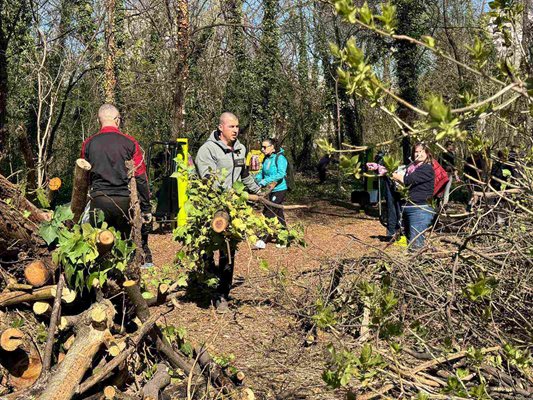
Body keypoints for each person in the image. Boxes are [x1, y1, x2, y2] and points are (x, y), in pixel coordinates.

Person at [195, 112, 260, 311]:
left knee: (228, 251)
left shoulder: (240, 149)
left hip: (233, 207)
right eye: (231, 127)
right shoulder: (207, 150)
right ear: (221, 127)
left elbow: (245, 175)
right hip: (210, 206)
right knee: (207, 250)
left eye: (237, 126)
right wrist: (229, 194)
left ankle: (222, 294)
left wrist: (258, 191)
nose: (235, 130)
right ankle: (208, 283)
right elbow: (208, 180)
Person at [81, 104, 153, 267]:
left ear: (99, 121)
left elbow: (83, 178)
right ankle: (126, 286)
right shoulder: (130, 143)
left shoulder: (88, 144)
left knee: (97, 251)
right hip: (124, 203)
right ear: (117, 120)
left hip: (98, 202)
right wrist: (146, 207)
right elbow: (141, 177)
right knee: (124, 251)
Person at [392, 143, 435, 250]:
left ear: (427, 153)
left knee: (416, 246)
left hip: (420, 209)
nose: (418, 154)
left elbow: (408, 180)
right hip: (408, 207)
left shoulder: (427, 168)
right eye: (416, 151)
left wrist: (392, 174)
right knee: (409, 244)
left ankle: (417, 265)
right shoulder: (411, 168)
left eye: (421, 151)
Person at [253, 138, 288, 249]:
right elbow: (262, 173)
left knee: (269, 211)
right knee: (278, 213)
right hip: (270, 190)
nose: (262, 149)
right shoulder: (266, 159)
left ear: (272, 147)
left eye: (265, 147)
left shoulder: (280, 158)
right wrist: (257, 179)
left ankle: (263, 238)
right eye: (261, 147)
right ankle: (284, 237)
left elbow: (281, 174)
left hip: (280, 189)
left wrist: (265, 181)